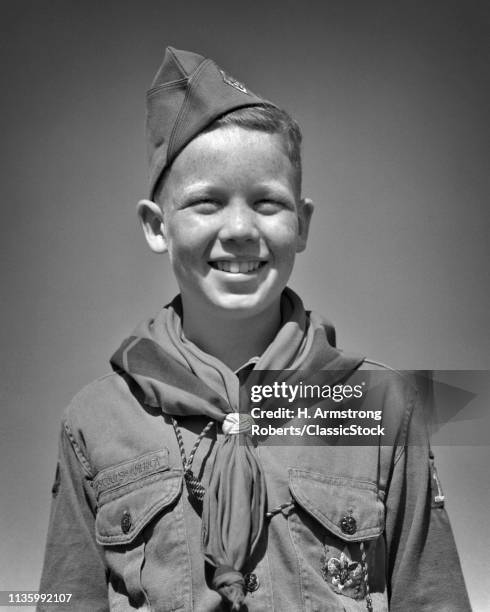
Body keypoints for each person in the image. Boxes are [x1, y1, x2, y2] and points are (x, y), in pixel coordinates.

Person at [39, 47, 471, 611]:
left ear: (302, 225)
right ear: (155, 226)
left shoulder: (383, 407)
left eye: (268, 202)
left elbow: (433, 599)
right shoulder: (93, 422)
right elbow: (61, 600)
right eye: (206, 203)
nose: (240, 229)